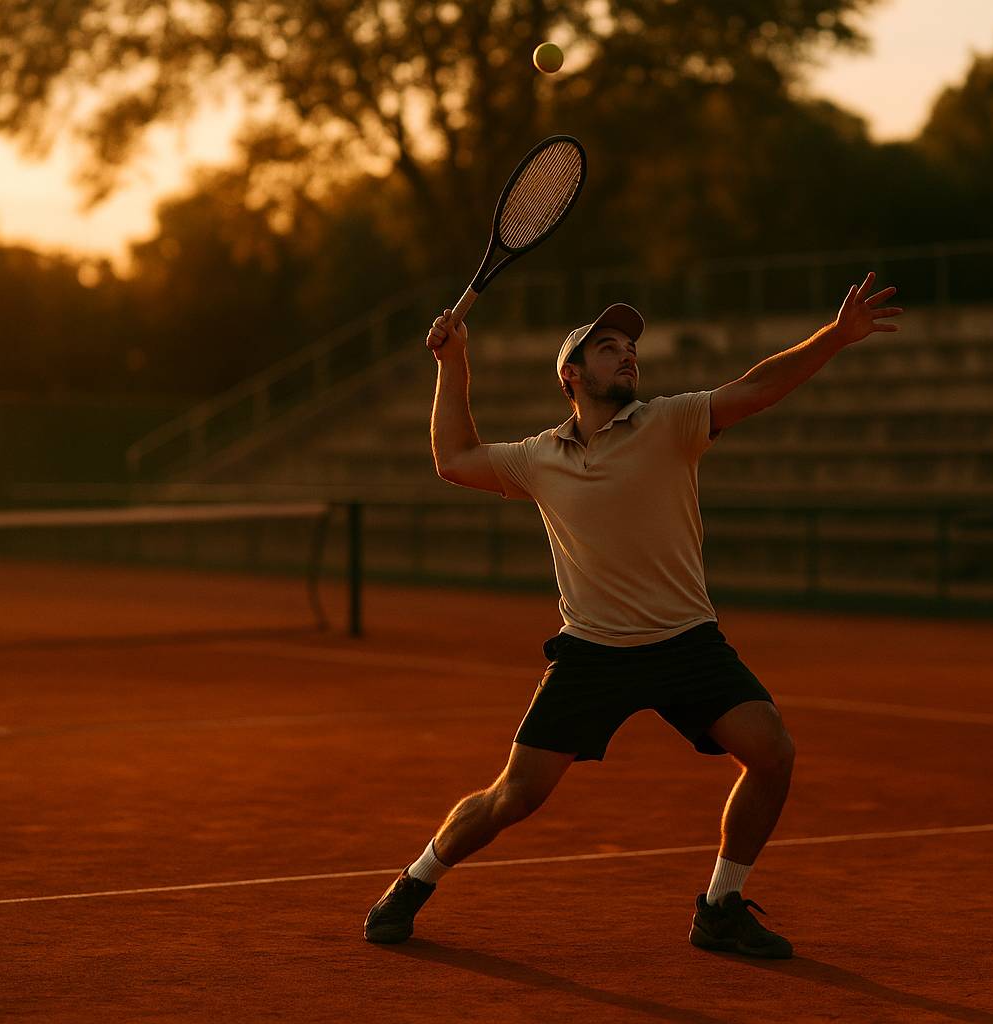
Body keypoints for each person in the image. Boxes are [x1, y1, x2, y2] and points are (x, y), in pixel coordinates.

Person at [363, 273, 902, 958]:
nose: (627, 355)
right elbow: (454, 459)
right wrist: (454, 363)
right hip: (593, 652)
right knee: (515, 797)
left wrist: (836, 335)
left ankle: (720, 904)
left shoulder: (671, 422)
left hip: (687, 643)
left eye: (629, 347)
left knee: (771, 752)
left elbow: (757, 386)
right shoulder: (537, 458)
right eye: (608, 347)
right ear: (572, 374)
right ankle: (414, 881)